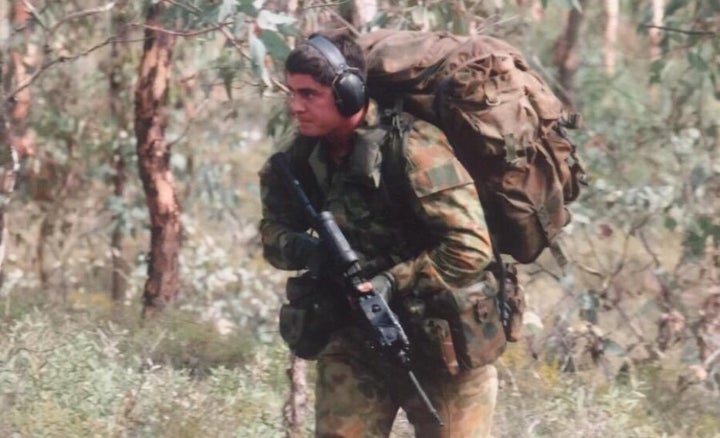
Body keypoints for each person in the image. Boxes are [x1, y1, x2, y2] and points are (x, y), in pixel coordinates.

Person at [259, 29, 507, 438]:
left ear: (349, 94)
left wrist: (392, 281)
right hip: (356, 337)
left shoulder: (413, 150)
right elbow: (273, 232)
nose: (294, 106)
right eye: (292, 93)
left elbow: (470, 247)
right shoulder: (299, 157)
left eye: (308, 95)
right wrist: (308, 252)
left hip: (442, 338)